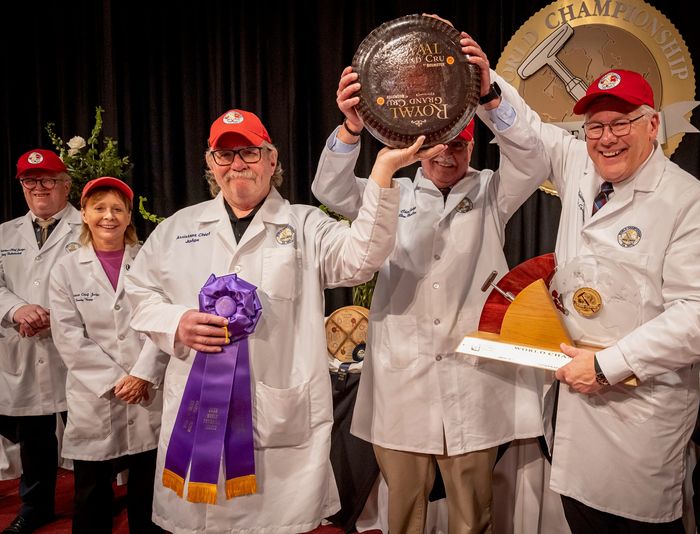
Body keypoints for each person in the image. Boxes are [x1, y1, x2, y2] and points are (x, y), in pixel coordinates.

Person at [124, 108, 442, 533]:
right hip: (198, 415)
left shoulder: (305, 224)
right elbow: (139, 293)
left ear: (272, 161)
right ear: (210, 164)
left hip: (276, 422)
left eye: (250, 153)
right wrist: (176, 321)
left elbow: (361, 258)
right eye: (225, 154)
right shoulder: (178, 229)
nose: (238, 163)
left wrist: (383, 171)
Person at [312, 31, 548, 533]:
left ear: (471, 142)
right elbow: (329, 188)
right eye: (437, 145)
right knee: (404, 513)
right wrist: (352, 130)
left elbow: (532, 159)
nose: (447, 155)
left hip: (474, 374)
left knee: (472, 516)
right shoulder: (389, 189)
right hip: (404, 377)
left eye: (459, 144)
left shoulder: (491, 191)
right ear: (418, 147)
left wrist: (488, 96)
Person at [501, 69, 700, 532]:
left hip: (638, 416)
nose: (606, 138)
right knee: (581, 517)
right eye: (595, 126)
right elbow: (525, 127)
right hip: (574, 413)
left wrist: (611, 363)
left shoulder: (688, 203)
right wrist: (487, 85)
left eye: (621, 123)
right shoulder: (580, 168)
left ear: (653, 125)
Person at [49, 176, 167, 533]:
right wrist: (120, 381)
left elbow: (162, 321)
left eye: (118, 208)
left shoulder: (150, 260)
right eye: (99, 207)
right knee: (91, 496)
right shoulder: (66, 270)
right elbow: (68, 337)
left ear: (130, 216)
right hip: (95, 397)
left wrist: (142, 374)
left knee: (149, 497)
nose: (108, 216)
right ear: (83, 214)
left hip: (147, 391)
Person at [0, 149, 81, 534]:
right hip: (25, 346)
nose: (39, 188)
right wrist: (16, 310)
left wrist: (55, 315)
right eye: (30, 181)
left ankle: (89, 502)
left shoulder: (88, 228)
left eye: (48, 179)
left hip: (74, 349)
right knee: (34, 436)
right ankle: (36, 506)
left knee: (85, 432)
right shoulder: (5, 233)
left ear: (66, 185)